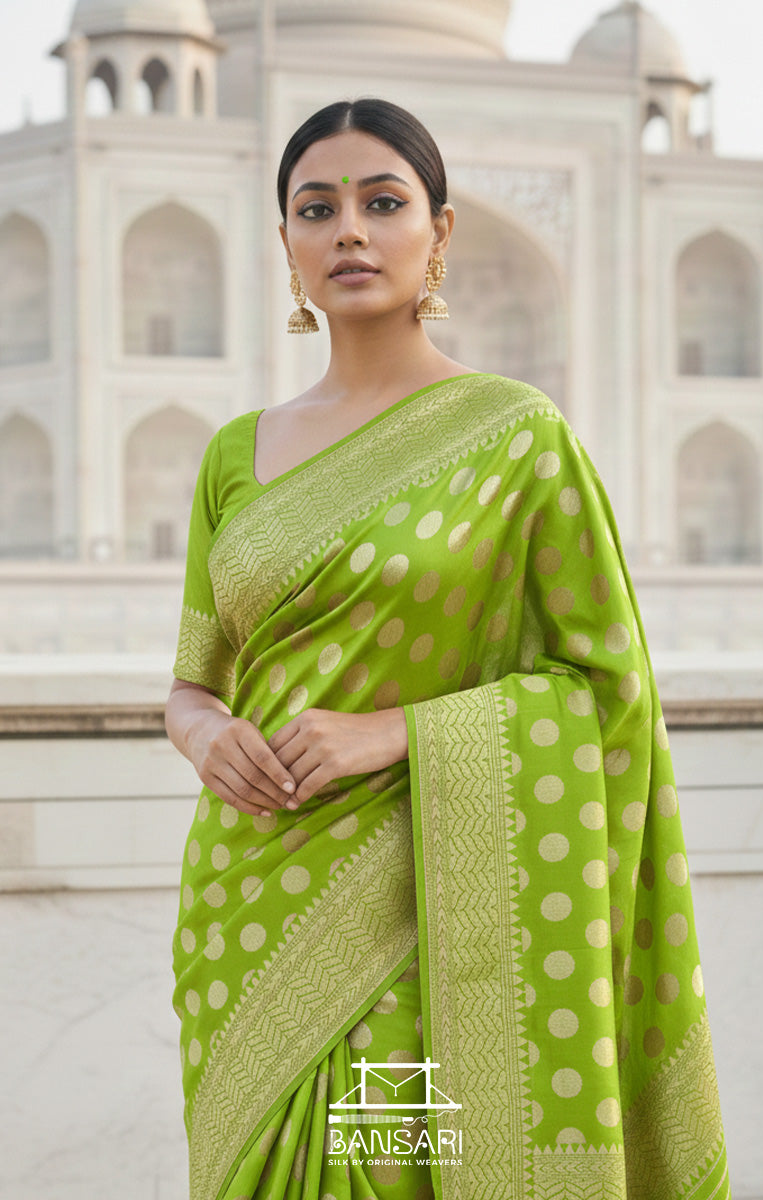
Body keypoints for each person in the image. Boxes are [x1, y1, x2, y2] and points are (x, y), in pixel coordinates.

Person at [165, 97, 730, 1200]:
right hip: (247, 895)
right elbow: (194, 680)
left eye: (382, 202)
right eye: (314, 208)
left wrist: (394, 733)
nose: (348, 232)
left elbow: (603, 688)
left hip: (427, 909)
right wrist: (203, 733)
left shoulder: (516, 439)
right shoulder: (236, 454)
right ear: (283, 240)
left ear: (439, 232)